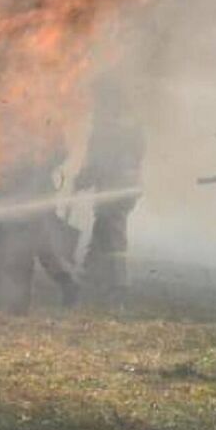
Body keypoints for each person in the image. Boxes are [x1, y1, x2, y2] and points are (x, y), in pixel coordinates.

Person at [0, 145, 79, 319]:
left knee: (26, 246)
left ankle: (17, 306)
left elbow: (60, 151)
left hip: (29, 192)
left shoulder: (38, 124)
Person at [74, 82, 145, 301]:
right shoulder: (132, 125)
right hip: (128, 187)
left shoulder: (106, 127)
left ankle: (118, 282)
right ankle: (89, 275)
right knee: (104, 228)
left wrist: (82, 179)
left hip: (114, 189)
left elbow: (99, 159)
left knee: (113, 233)